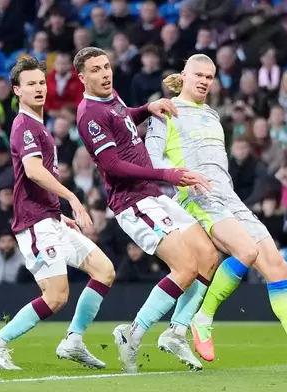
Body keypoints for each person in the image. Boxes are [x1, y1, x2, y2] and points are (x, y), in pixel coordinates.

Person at [147, 53, 287, 371]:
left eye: (210, 77)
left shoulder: (212, 115)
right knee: (246, 251)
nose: (204, 81)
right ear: (183, 75)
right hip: (197, 198)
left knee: (278, 268)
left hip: (229, 199)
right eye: (198, 74)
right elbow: (151, 160)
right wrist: (182, 175)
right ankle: (203, 317)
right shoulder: (164, 113)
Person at [73, 47, 219, 373]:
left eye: (107, 66)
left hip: (153, 195)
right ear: (82, 77)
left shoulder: (112, 98)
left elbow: (124, 124)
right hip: (132, 202)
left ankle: (177, 332)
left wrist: (146, 109)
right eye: (95, 70)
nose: (105, 73)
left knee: (208, 258)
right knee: (184, 267)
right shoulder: (89, 115)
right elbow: (113, 166)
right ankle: (132, 335)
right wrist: (168, 174)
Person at [0, 57, 116, 371]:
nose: (39, 88)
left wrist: (58, 213)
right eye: (31, 84)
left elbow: (38, 178)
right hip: (35, 225)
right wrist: (70, 198)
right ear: (17, 90)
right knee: (56, 297)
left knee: (104, 270)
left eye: (42, 82)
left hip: (50, 219)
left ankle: (73, 341)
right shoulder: (23, 124)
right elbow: (33, 171)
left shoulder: (38, 124)